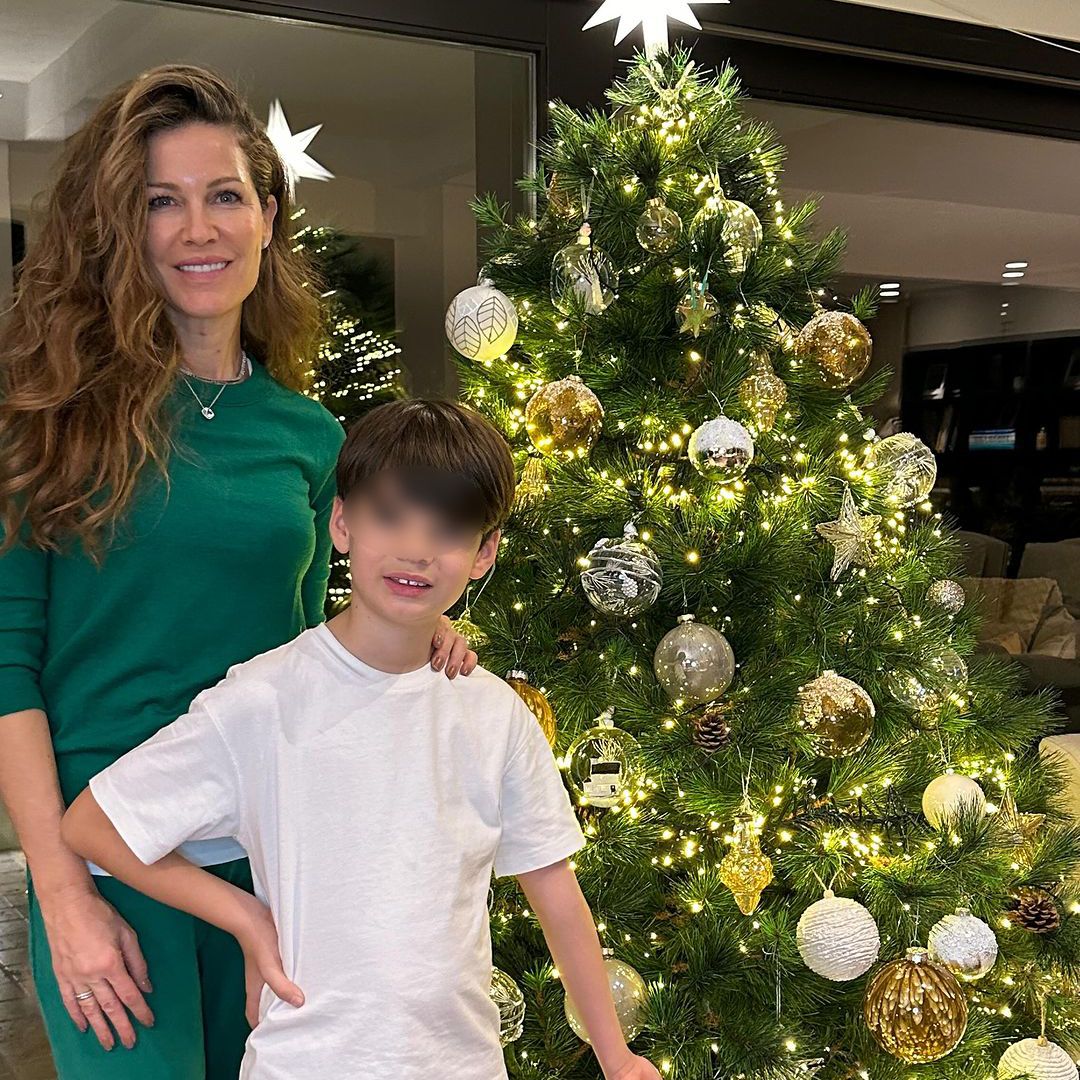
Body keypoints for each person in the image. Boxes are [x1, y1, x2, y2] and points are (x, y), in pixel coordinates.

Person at [0, 65, 474, 1078]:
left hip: (274, 857)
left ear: (268, 216)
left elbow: (310, 656)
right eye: (160, 202)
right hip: (110, 859)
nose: (197, 229)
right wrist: (61, 890)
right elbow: (7, 674)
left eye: (223, 197)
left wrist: (413, 628)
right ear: (123, 228)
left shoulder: (307, 435)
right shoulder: (45, 417)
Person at [62, 399, 663, 1080]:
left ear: (484, 553)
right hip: (303, 1062)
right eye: (390, 516)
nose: (415, 549)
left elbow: (555, 891)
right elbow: (92, 825)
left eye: (447, 529)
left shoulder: (494, 715)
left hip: (459, 1064)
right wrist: (247, 918)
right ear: (341, 523)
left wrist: (616, 1057)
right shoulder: (263, 701)